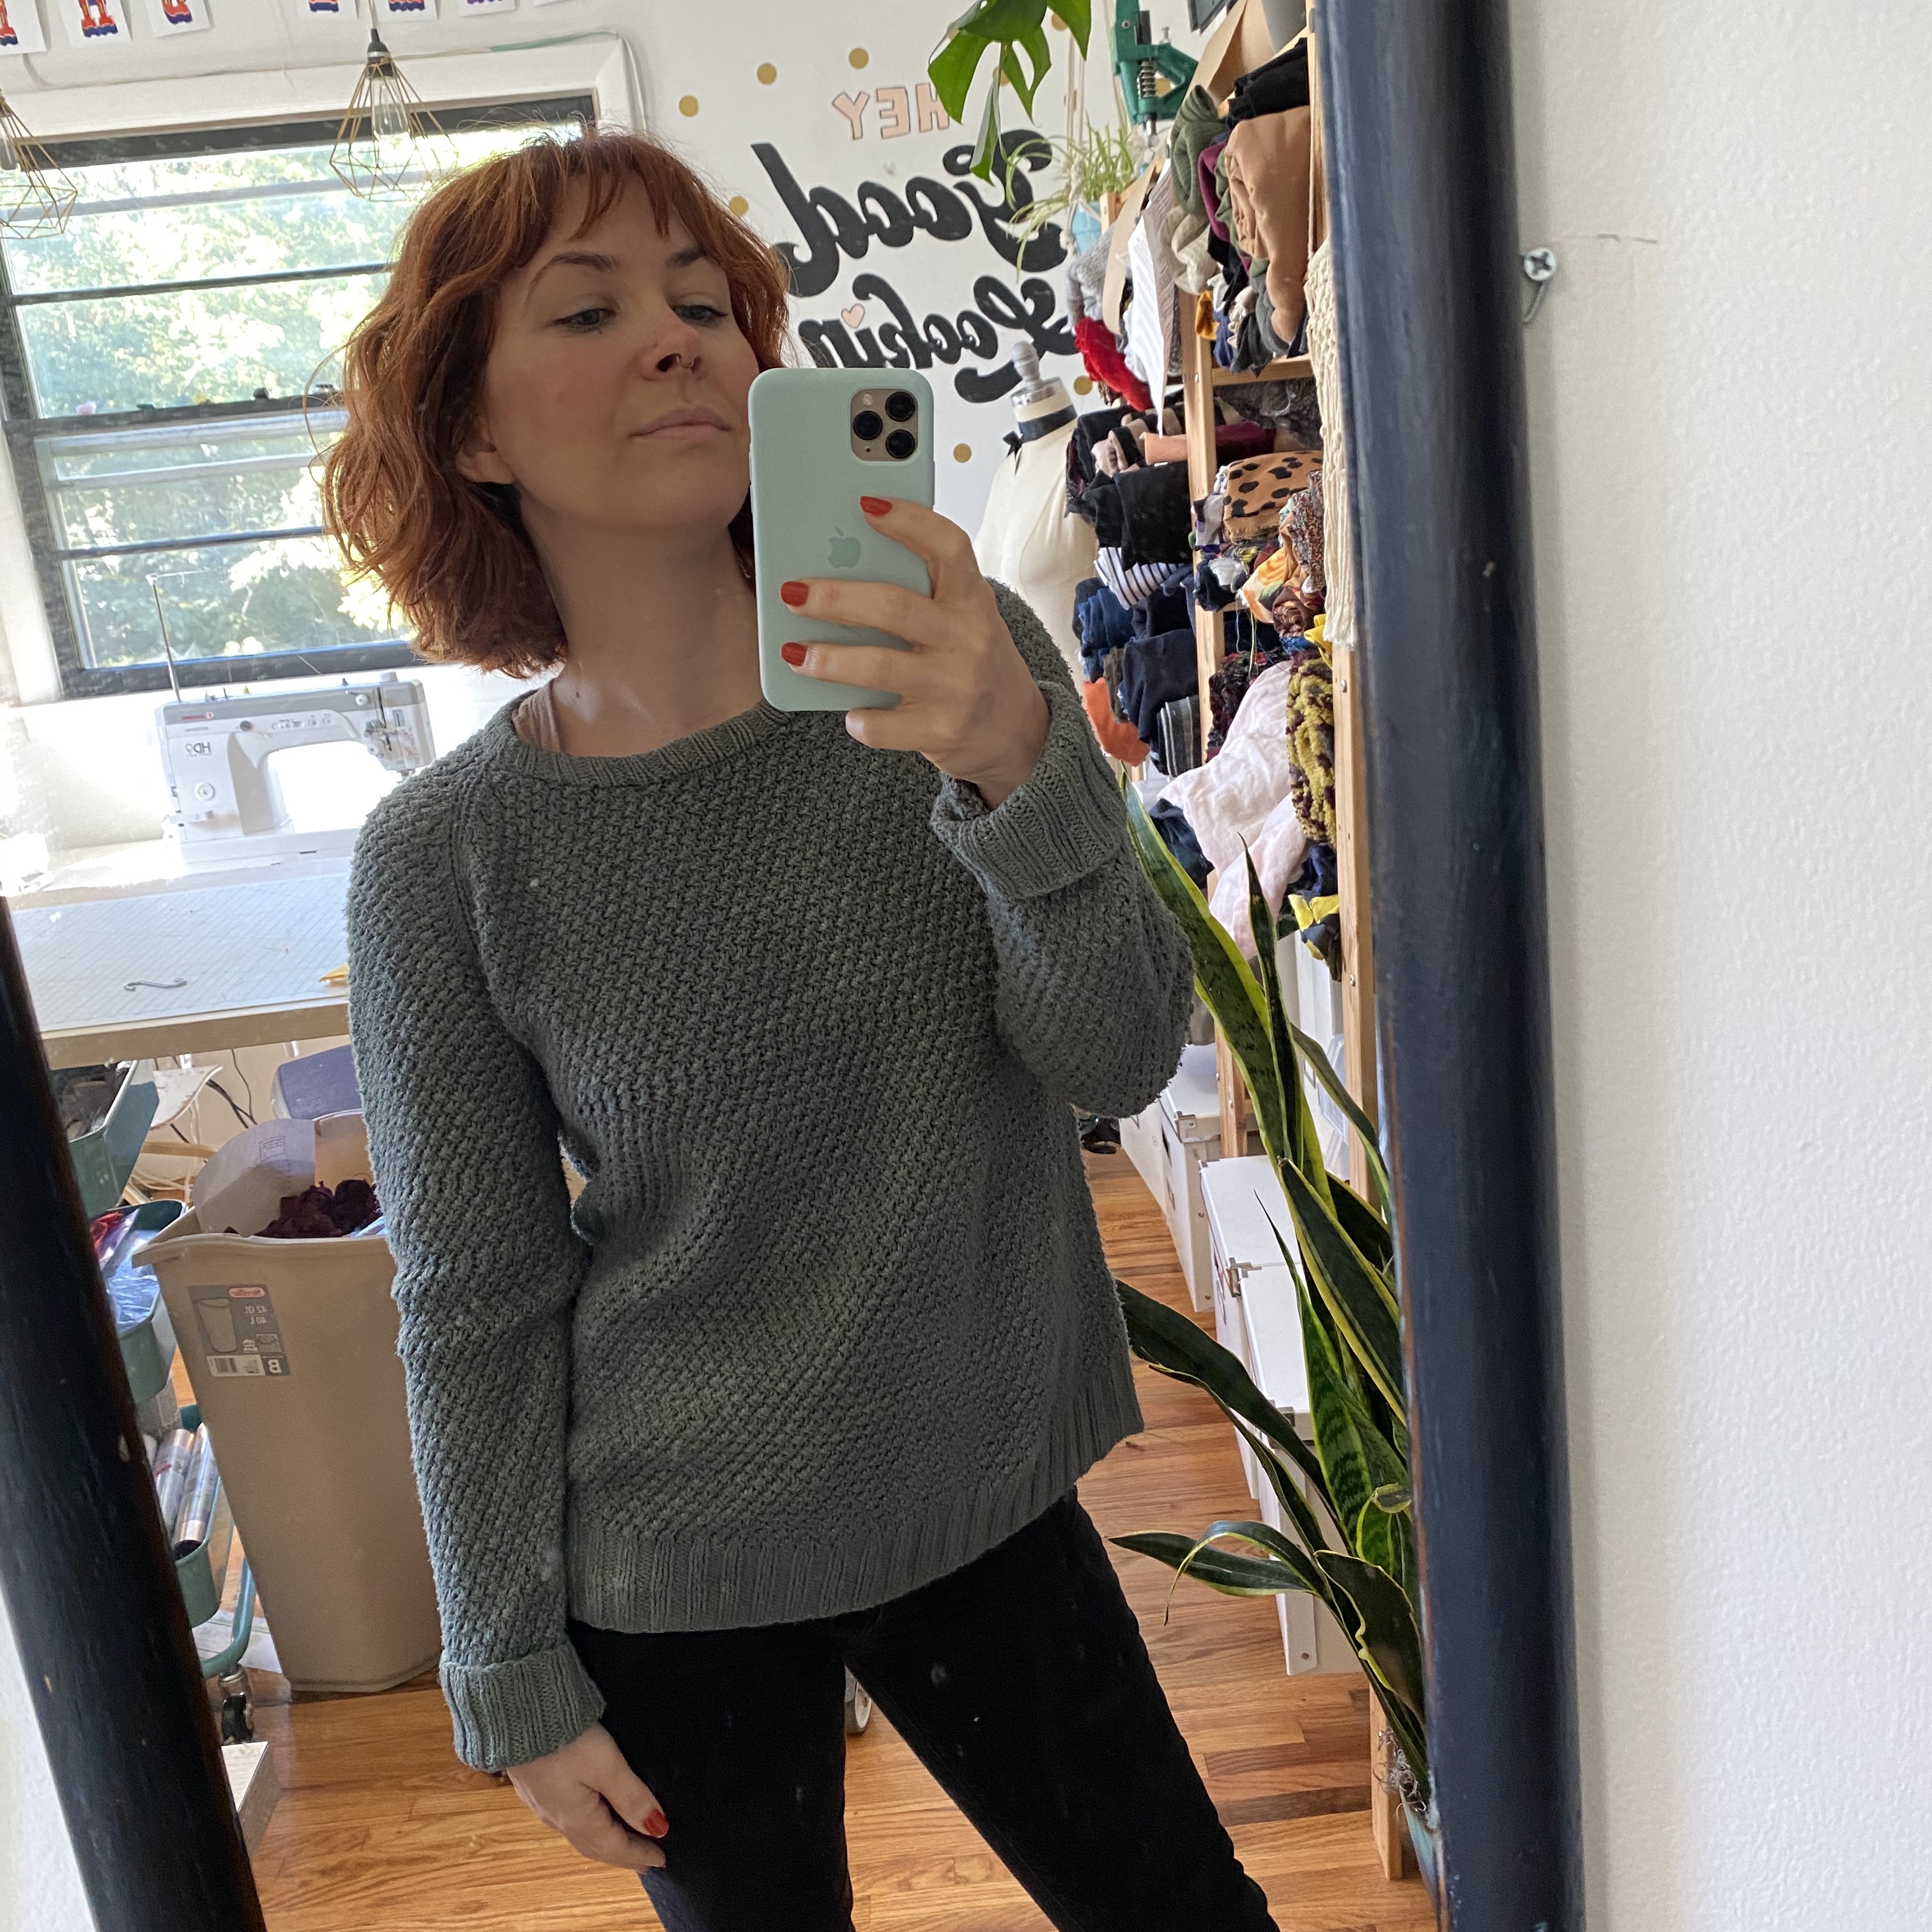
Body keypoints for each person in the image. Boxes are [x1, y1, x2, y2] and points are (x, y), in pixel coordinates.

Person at [326, 128, 1278, 1932]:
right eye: (588, 311)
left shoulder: (960, 662)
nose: (675, 340)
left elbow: (1119, 1057)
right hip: (672, 1561)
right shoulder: (445, 859)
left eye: (706, 304)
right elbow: (472, 1292)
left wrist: (1011, 769)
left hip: (986, 1484)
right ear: (470, 432)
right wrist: (505, 1665)